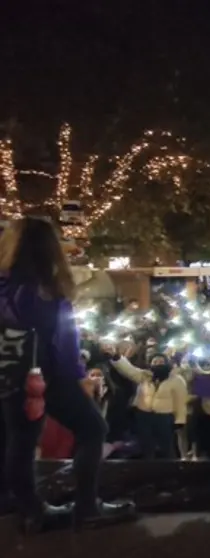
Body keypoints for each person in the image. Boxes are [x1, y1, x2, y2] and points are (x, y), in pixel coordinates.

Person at [0, 217, 134, 531]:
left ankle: (30, 509)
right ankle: (88, 507)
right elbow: (66, 339)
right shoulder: (47, 288)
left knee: (18, 439)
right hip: (44, 375)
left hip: (7, 373)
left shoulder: (4, 284)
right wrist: (78, 375)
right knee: (92, 429)